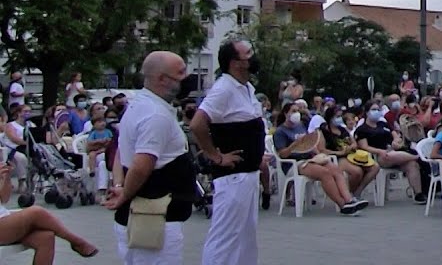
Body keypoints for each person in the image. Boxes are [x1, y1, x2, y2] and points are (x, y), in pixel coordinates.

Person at [104, 51, 197, 264]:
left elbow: (121, 149)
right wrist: (124, 194)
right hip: (154, 219)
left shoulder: (138, 105)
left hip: (146, 216)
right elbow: (141, 165)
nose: (187, 77)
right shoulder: (155, 115)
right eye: (181, 72)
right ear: (162, 79)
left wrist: (119, 184)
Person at [190, 39, 267, 265]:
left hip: (248, 173)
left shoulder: (245, 87)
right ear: (235, 63)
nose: (253, 57)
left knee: (245, 236)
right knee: (225, 235)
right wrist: (215, 155)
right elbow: (197, 124)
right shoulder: (223, 89)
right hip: (234, 175)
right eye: (248, 53)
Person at [0, 159, 98, 262]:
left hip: (5, 220)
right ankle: (76, 241)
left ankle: (77, 243)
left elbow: (4, 198)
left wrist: (6, 176)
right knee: (36, 212)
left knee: (46, 238)